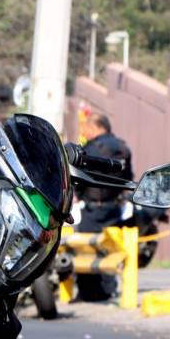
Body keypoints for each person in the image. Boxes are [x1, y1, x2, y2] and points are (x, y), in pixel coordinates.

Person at [75, 113, 133, 300]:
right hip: (115, 207)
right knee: (111, 250)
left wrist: (78, 195)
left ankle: (89, 293)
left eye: (88, 128)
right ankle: (108, 290)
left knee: (86, 250)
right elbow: (128, 177)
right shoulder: (123, 147)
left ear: (98, 127)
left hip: (93, 209)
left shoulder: (90, 148)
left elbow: (80, 176)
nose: (87, 132)